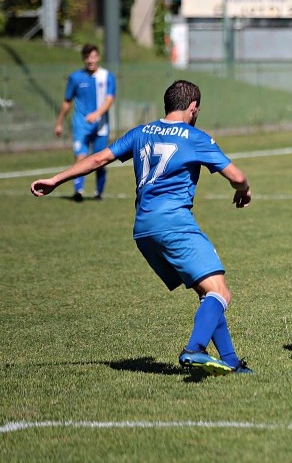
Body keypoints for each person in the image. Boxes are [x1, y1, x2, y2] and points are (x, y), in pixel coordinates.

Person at [32, 80, 253, 376]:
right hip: (174, 223)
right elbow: (237, 176)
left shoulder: (141, 132)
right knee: (221, 293)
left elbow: (100, 158)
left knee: (208, 292)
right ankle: (194, 350)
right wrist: (244, 189)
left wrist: (55, 180)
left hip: (144, 229)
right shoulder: (194, 136)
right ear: (193, 107)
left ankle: (232, 362)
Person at [54, 43, 117, 201]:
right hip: (81, 125)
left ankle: (98, 193)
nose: (91, 60)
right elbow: (67, 101)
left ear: (99, 57)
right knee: (80, 158)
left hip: (101, 126)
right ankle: (78, 191)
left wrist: (97, 114)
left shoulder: (107, 76)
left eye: (94, 56)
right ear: (83, 58)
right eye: (87, 57)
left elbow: (110, 99)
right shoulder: (75, 78)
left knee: (101, 160)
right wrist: (59, 122)